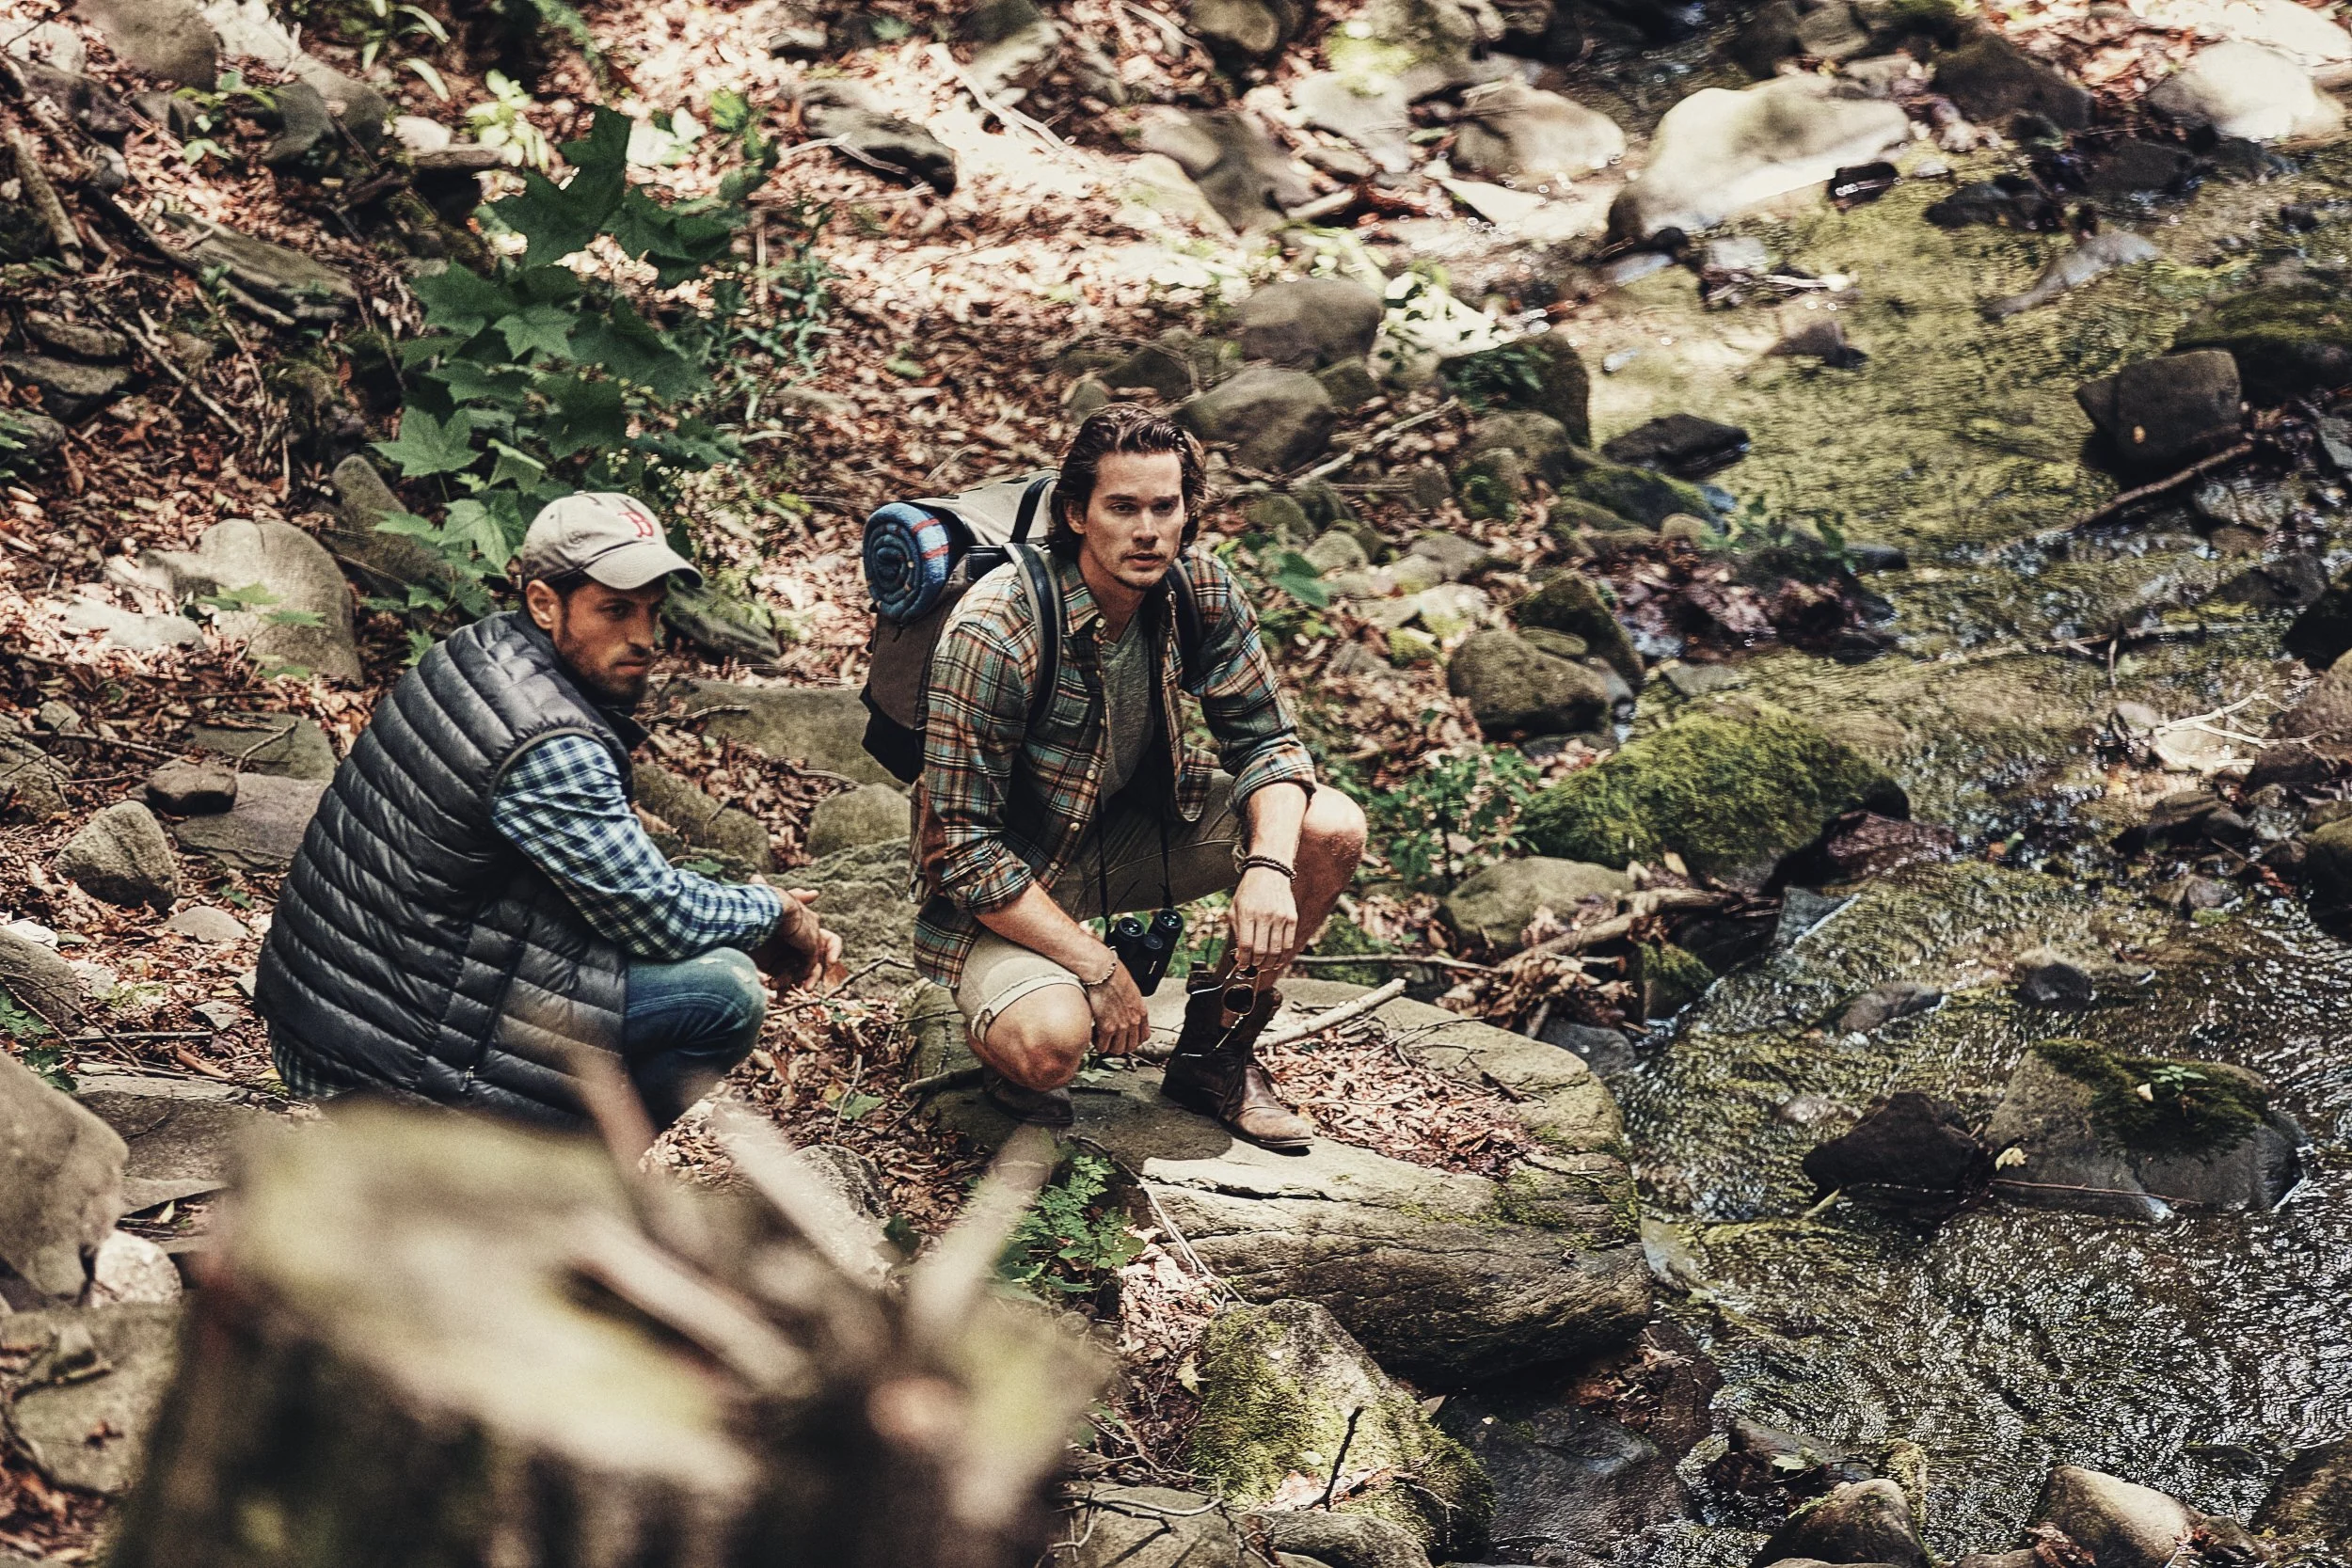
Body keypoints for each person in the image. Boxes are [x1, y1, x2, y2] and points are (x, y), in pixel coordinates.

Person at [255, 492, 839, 1129]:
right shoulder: (549, 742)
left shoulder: (480, 652)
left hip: (331, 1020)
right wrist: (773, 911)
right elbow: (657, 915)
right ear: (543, 602)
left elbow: (607, 875)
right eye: (615, 610)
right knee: (724, 991)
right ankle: (556, 1193)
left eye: (651, 612)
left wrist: (732, 905)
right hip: (387, 1070)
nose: (642, 637)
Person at [917, 405, 1367, 1147]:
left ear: (1189, 511)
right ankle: (997, 1037)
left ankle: (1215, 1054)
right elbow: (966, 853)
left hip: (1130, 832)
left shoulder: (1199, 589)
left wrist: (1266, 866)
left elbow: (1268, 743)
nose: (1148, 530)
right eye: (1122, 507)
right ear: (1076, 513)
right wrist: (1096, 967)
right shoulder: (997, 631)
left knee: (1328, 828)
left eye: (1165, 507)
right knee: (1050, 1044)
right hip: (1010, 880)